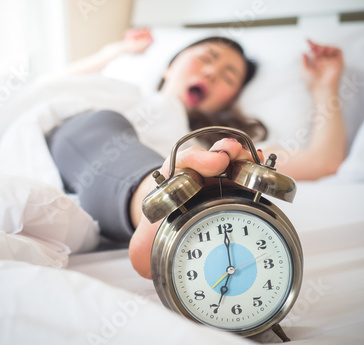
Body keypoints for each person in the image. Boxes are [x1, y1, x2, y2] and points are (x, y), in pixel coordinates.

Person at [46, 29, 347, 278]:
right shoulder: (118, 93)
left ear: (229, 99)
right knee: (103, 126)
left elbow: (323, 162)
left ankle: (162, 214)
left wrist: (325, 87)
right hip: (66, 142)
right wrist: (114, 51)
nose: (213, 72)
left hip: (145, 182)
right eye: (207, 57)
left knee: (209, 167)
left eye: (229, 77)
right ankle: (161, 201)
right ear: (169, 65)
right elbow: (49, 90)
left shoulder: (215, 152)